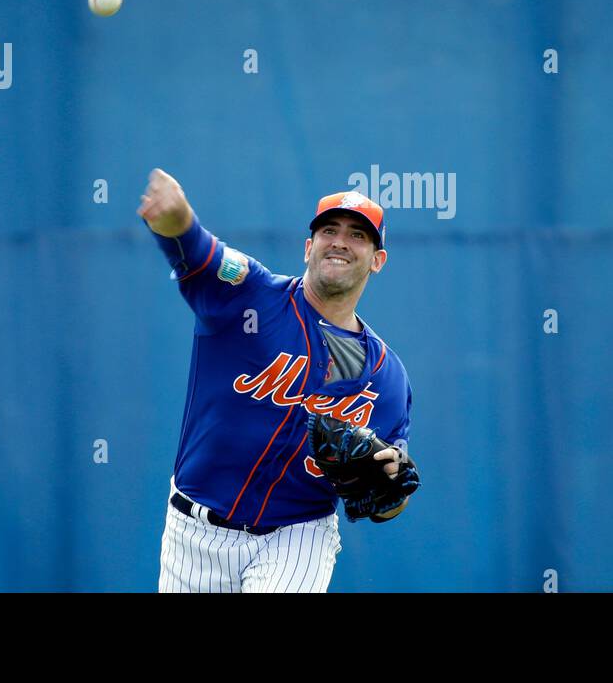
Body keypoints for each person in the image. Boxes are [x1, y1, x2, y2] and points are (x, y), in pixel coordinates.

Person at [137, 168, 414, 592]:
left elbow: (388, 501)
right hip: (193, 531)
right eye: (329, 230)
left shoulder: (386, 376)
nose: (340, 241)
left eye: (358, 235)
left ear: (377, 260)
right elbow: (195, 250)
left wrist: (392, 487)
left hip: (297, 537)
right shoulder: (249, 292)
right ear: (309, 247)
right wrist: (175, 218)